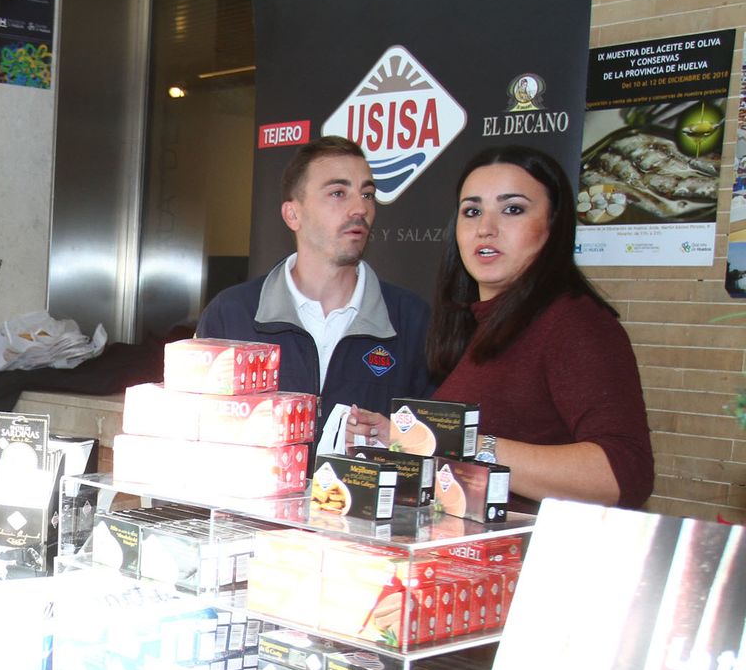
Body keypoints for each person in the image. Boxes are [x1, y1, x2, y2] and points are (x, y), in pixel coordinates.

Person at [424, 145, 653, 509]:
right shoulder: (482, 321)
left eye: (512, 209)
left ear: (553, 223)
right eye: (472, 211)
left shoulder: (574, 323)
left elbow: (625, 473)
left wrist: (471, 444)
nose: (486, 228)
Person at [195, 136, 431, 444]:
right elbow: (194, 435)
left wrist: (394, 440)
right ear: (293, 215)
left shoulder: (412, 320)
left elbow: (435, 449)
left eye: (368, 194)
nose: (360, 208)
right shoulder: (232, 315)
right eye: (338, 193)